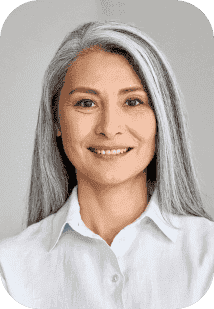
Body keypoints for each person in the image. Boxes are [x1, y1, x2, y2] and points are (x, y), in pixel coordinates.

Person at [0, 20, 214, 309]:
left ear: (161, 118)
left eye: (133, 102)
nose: (109, 128)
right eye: (86, 103)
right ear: (56, 121)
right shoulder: (10, 269)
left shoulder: (208, 255)